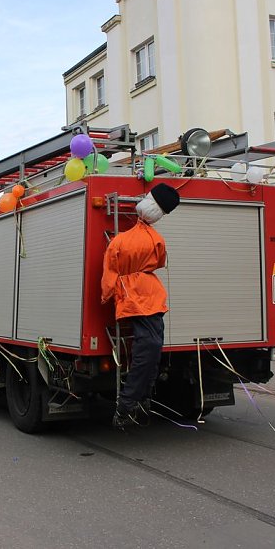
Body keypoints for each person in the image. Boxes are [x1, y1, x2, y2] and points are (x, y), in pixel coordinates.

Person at [101, 183, 180, 427]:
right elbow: (160, 261)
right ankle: (136, 401)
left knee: (149, 351)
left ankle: (131, 402)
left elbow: (109, 272)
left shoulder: (119, 242)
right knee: (151, 351)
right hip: (150, 298)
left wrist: (108, 295)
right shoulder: (156, 240)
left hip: (136, 298)